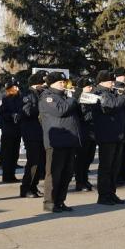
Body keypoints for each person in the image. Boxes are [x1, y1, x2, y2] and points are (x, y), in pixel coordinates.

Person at [39, 71, 81, 213]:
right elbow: (60, 111)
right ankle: (49, 202)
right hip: (56, 142)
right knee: (54, 174)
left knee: (67, 174)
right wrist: (74, 98)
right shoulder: (47, 97)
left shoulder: (64, 97)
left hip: (69, 140)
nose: (63, 84)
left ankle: (60, 201)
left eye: (64, 82)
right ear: (52, 84)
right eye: (60, 82)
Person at [91, 70, 125, 205]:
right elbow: (111, 106)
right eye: (110, 81)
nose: (113, 83)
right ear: (102, 81)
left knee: (115, 166)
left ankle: (111, 193)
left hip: (117, 134)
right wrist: (124, 95)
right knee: (106, 167)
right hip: (107, 135)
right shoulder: (98, 93)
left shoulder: (111, 92)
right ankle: (103, 195)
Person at [19, 72, 47, 198]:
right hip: (31, 133)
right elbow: (27, 111)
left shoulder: (40, 94)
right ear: (37, 84)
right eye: (43, 83)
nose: (45, 85)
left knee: (40, 162)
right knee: (33, 162)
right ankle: (26, 188)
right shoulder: (28, 94)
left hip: (41, 133)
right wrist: (42, 107)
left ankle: (33, 186)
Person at [0, 76, 22, 183]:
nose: (17, 89)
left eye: (17, 87)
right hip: (8, 128)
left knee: (14, 153)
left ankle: (12, 174)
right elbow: (2, 113)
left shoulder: (19, 97)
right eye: (14, 87)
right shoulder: (4, 98)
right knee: (8, 153)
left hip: (17, 128)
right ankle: (7, 176)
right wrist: (11, 115)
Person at [74, 76, 96, 192]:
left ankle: (85, 179)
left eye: (91, 86)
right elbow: (82, 115)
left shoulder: (92, 97)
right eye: (88, 87)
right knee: (81, 159)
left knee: (89, 157)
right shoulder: (78, 99)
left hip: (92, 132)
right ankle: (80, 181)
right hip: (82, 132)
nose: (91, 88)